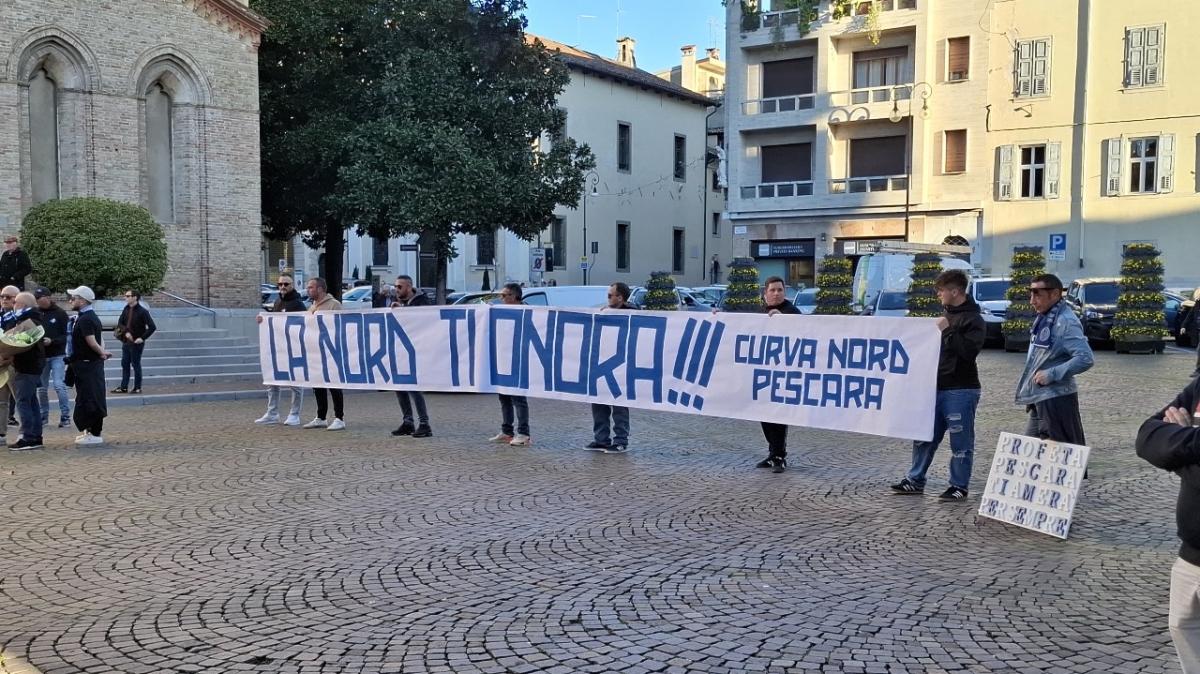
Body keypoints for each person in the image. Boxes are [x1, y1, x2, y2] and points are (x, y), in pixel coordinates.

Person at [890, 269, 986, 500]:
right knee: (923, 435)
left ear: (955, 291)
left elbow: (968, 352)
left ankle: (959, 486)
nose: (938, 295)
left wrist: (948, 330)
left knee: (960, 440)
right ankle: (915, 479)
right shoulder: (945, 315)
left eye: (941, 290)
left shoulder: (974, 320)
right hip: (934, 388)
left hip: (961, 389)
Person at [1135, 378, 1200, 673]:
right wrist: (1192, 441)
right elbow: (1147, 438)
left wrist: (1181, 443)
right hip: (1190, 557)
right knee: (1183, 631)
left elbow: (1168, 449)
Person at [1014, 274, 1094, 449]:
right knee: (1029, 453)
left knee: (1059, 456)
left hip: (1056, 398)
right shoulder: (1046, 317)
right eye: (1031, 294)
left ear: (1055, 294)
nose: (1032, 301)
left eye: (1037, 294)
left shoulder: (1065, 321)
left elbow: (1085, 358)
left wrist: (1051, 374)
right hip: (1041, 397)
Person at [755, 276, 801, 473]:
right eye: (772, 290)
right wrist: (718, 315)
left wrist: (783, 322)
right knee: (764, 414)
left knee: (778, 414)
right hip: (764, 374)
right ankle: (773, 453)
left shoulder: (792, 312)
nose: (776, 293)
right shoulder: (759, 314)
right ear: (765, 294)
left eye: (780, 290)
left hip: (784, 375)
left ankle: (780, 455)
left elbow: (804, 332)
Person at [587, 282, 634, 453]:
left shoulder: (633, 314)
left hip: (621, 366)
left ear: (620, 297)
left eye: (609, 295)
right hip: (602, 364)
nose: (607, 299)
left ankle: (621, 440)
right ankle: (601, 439)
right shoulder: (604, 313)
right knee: (598, 402)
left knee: (619, 405)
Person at [255, 275, 307, 426]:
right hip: (277, 347)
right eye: (279, 284)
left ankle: (294, 414)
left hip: (294, 348)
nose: (282, 287)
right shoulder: (278, 302)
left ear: (292, 285)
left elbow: (304, 324)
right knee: (272, 381)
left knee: (295, 383)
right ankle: (272, 412)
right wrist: (263, 320)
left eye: (286, 284)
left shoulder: (298, 304)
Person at [65, 286, 112, 445]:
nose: (70, 301)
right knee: (86, 396)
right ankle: (88, 430)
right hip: (83, 364)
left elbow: (91, 341)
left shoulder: (86, 318)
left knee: (91, 397)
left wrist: (102, 353)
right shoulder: (85, 317)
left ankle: (94, 432)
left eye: (73, 298)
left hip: (88, 364)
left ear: (82, 300)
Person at [390, 275, 432, 438]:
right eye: (395, 286)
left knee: (415, 388)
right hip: (401, 351)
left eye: (399, 287)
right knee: (400, 387)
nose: (396, 289)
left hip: (417, 350)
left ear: (409, 287)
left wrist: (402, 310)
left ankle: (424, 423)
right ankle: (408, 422)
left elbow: (421, 321)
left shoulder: (422, 302)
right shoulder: (400, 302)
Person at [490, 282, 531, 446]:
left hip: (519, 360)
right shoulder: (502, 311)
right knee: (504, 397)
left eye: (504, 295)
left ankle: (524, 433)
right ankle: (507, 430)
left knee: (518, 398)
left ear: (514, 297)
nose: (501, 298)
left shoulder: (527, 312)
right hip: (503, 358)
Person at [302, 277, 345, 430]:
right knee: (318, 384)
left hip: (331, 352)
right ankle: (321, 416)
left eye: (311, 287)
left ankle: (339, 417)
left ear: (320, 289)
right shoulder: (312, 307)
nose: (308, 290)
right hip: (316, 352)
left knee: (334, 384)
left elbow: (341, 327)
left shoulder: (334, 305)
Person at [6, 292, 46, 450]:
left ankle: (28, 437)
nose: (13, 304)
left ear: (22, 305)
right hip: (32, 366)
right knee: (31, 402)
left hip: (27, 367)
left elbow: (21, 344)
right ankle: (35, 436)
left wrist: (7, 350)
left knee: (23, 402)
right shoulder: (34, 320)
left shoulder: (29, 322)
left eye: (15, 302)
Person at [35, 287, 71, 429]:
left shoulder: (61, 314)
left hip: (57, 354)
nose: (38, 300)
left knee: (58, 385)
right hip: (42, 356)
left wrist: (53, 341)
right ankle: (44, 416)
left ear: (48, 297)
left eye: (40, 297)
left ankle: (65, 415)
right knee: (42, 388)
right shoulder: (36, 313)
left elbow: (66, 336)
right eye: (36, 298)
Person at [111, 289, 157, 394]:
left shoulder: (143, 311)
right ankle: (124, 387)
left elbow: (152, 327)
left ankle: (137, 387)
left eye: (128, 296)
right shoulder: (126, 309)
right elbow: (120, 322)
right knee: (125, 363)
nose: (125, 298)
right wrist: (125, 332)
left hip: (136, 343)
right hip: (126, 341)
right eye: (125, 296)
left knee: (135, 364)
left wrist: (142, 338)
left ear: (135, 297)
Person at [0, 285, 19, 428]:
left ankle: (29, 434)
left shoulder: (21, 316)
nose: (4, 299)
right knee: (1, 402)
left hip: (15, 363)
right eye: (2, 296)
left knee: (22, 399)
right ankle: (1, 433)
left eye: (8, 297)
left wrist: (10, 356)